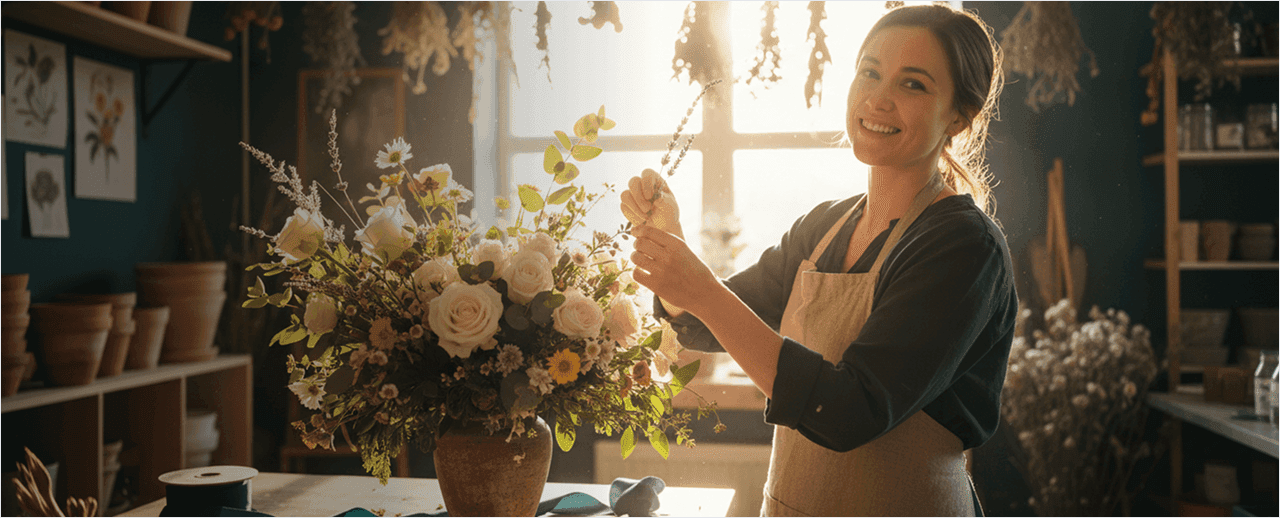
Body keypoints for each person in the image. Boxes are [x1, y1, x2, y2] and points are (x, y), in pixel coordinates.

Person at [620, 4, 1017, 516]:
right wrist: (674, 249)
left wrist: (702, 288)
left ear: (960, 116)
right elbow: (703, 325)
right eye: (870, 72)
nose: (878, 97)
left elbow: (849, 412)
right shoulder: (824, 225)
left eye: (912, 84)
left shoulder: (963, 246)